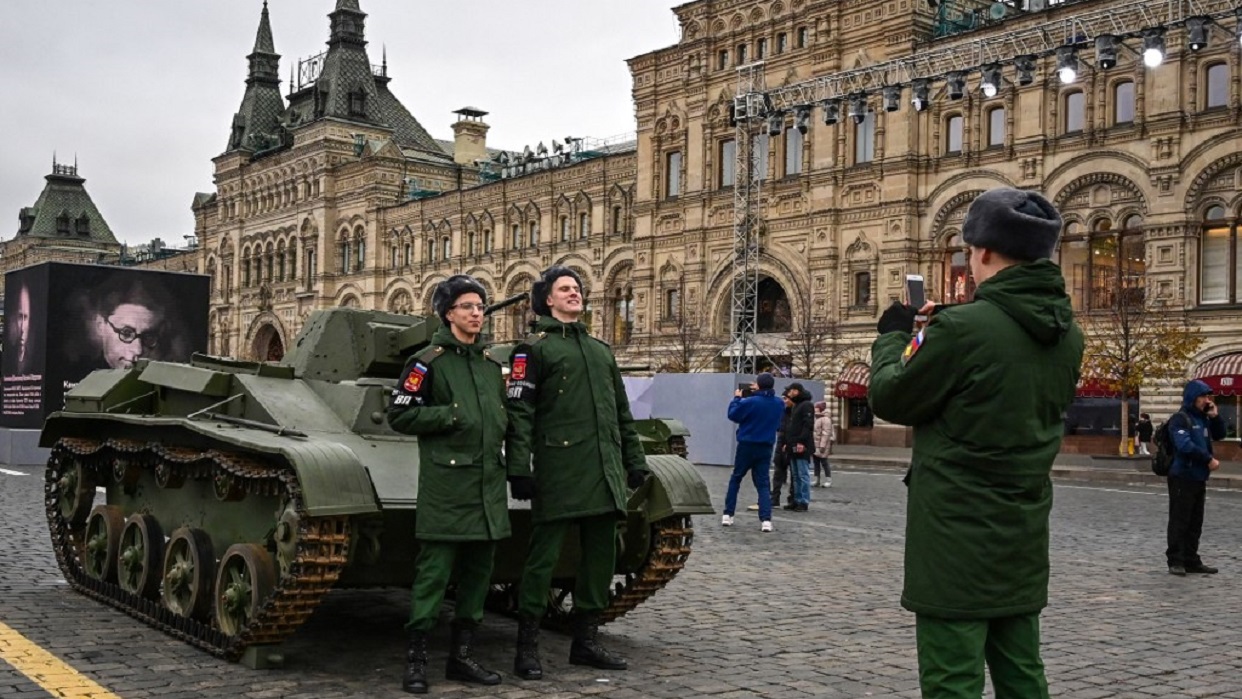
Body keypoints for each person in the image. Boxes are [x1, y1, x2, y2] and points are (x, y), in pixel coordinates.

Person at [869, 187, 1084, 699]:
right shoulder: (1066, 332)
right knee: (1022, 673)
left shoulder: (962, 329)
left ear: (983, 251)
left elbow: (891, 396)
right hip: (1022, 532)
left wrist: (894, 336)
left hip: (955, 538)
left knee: (952, 680)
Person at [505, 265, 649, 680]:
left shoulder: (601, 351)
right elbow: (520, 413)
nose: (574, 293)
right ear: (547, 299)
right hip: (560, 470)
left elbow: (622, 414)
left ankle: (585, 641)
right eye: (565, 288)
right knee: (542, 561)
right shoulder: (533, 350)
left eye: (577, 288)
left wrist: (634, 461)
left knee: (601, 560)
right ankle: (527, 646)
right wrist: (520, 469)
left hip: (604, 472)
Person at [386, 275, 509, 694]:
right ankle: (417, 660)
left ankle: (462, 658)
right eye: (467, 307)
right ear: (448, 313)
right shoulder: (427, 363)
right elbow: (400, 415)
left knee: (478, 576)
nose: (477, 313)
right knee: (434, 575)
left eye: (480, 307)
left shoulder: (492, 365)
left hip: (488, 487)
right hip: (447, 486)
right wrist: (450, 415)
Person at [1166, 380, 1225, 576]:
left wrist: (1215, 417)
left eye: (1208, 397)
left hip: (1199, 477)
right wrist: (1208, 459)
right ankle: (1176, 560)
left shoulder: (1203, 419)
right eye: (1204, 397)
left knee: (1195, 522)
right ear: (1193, 397)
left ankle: (1191, 559)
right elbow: (1184, 445)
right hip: (1182, 476)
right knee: (1180, 520)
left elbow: (1220, 435)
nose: (1207, 400)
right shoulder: (1180, 419)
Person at [721, 372, 785, 532]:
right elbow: (778, 424)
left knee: (736, 478)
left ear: (760, 384)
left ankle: (728, 515)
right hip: (766, 446)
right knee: (763, 484)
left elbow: (733, 415)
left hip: (747, 444)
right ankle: (766, 520)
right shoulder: (779, 403)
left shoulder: (749, 401)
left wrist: (737, 398)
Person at [782, 382, 814, 511]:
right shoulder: (796, 406)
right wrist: (787, 443)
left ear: (796, 391)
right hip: (792, 444)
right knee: (795, 475)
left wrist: (801, 442)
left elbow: (807, 425)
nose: (788, 393)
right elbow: (792, 427)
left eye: (790, 391)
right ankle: (796, 499)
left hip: (802, 445)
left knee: (802, 474)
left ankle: (803, 501)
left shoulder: (806, 405)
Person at [813, 401, 834, 488]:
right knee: (816, 462)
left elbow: (826, 433)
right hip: (815, 444)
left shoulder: (825, 419)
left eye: (816, 407)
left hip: (822, 445)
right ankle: (817, 480)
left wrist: (822, 445)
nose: (815, 408)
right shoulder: (817, 418)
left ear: (820, 408)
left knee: (824, 462)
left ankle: (828, 480)